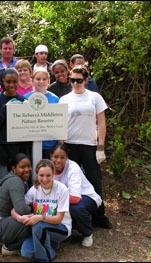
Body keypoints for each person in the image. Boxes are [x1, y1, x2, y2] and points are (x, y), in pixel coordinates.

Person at [58, 64, 113, 229]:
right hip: (70, 145)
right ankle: (72, 217)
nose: (75, 83)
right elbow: (60, 124)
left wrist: (101, 147)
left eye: (79, 80)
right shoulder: (65, 99)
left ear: (86, 80)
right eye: (72, 80)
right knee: (70, 181)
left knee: (94, 181)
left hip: (89, 145)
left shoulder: (94, 97)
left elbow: (101, 123)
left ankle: (99, 215)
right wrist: (61, 147)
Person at [12, 159, 71, 262]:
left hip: (61, 228)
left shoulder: (62, 190)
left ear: (53, 174)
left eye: (48, 175)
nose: (44, 179)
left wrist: (40, 217)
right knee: (26, 252)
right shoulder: (34, 190)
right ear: (37, 174)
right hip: (40, 230)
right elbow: (14, 209)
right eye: (41, 175)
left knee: (38, 226)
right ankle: (51, 244)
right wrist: (19, 218)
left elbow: (58, 219)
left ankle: (44, 258)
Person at [50, 143, 102, 247]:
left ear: (67, 158)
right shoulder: (47, 168)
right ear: (50, 156)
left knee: (76, 208)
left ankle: (87, 233)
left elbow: (75, 198)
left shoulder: (72, 167)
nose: (58, 160)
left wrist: (54, 200)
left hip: (85, 197)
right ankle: (63, 232)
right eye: (55, 157)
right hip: (64, 199)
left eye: (62, 157)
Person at [0, 67, 30, 191]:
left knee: (19, 182)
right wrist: (5, 110)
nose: (11, 85)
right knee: (1, 183)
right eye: (8, 82)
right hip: (0, 148)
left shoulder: (23, 100)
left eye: (14, 82)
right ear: (2, 82)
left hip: (17, 148)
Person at [24, 68, 59, 158]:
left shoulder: (55, 99)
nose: (41, 82)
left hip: (50, 145)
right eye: (38, 79)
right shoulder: (25, 98)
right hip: (29, 144)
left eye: (44, 79)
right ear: (32, 80)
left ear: (49, 81)